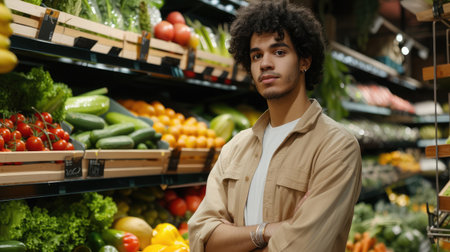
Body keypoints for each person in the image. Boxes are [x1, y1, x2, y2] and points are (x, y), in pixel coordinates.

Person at [187, 1, 362, 251]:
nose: (265, 63)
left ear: (304, 60)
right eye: (256, 55)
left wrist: (235, 239)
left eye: (279, 52)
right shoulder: (235, 147)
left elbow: (303, 246)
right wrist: (266, 231)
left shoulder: (336, 147)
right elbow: (201, 237)